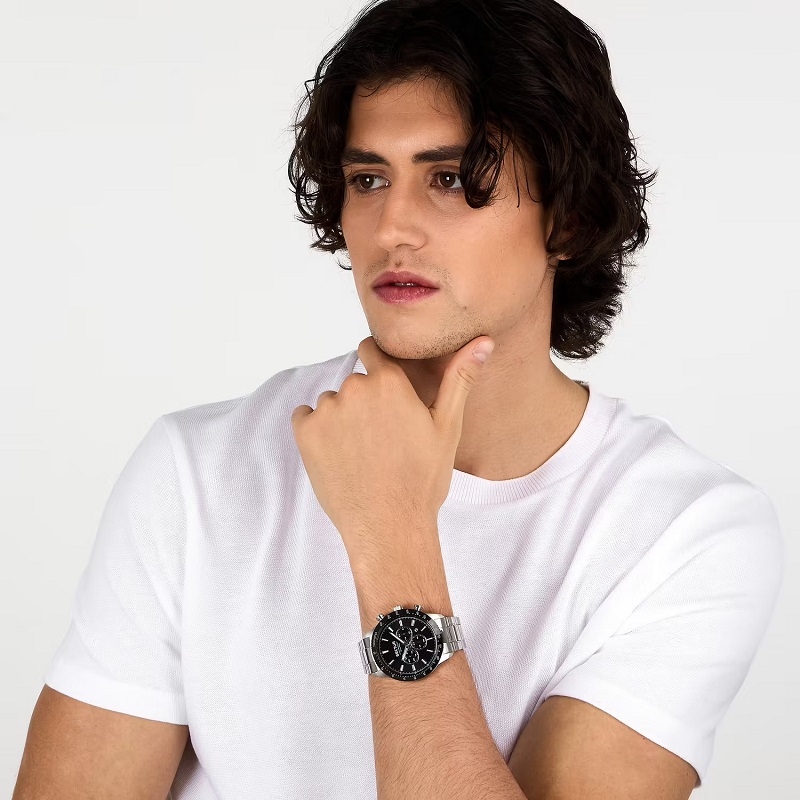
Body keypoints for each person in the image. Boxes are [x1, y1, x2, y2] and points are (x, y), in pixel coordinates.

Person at [13, 1, 784, 798]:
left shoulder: (686, 530)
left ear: (569, 218)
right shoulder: (199, 471)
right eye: (369, 180)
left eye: (449, 179)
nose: (392, 228)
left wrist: (392, 539)